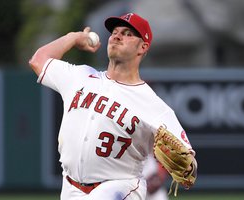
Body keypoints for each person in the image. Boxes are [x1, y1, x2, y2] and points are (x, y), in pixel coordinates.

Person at [29, 12, 196, 200]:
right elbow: (38, 60)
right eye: (114, 32)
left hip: (121, 186)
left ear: (143, 47)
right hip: (70, 186)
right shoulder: (80, 76)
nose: (117, 36)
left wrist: (188, 166)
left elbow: (188, 162)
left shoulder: (153, 104)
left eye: (127, 33)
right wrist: (74, 38)